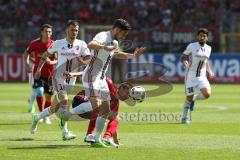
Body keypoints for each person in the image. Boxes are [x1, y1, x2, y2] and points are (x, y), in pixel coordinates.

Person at [59, 18, 145, 147]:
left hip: (102, 78)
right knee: (97, 104)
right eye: (123, 33)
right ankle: (66, 116)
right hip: (91, 76)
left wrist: (132, 56)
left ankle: (96, 140)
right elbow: (90, 44)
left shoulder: (114, 42)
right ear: (117, 29)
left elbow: (116, 54)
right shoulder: (103, 36)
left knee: (105, 109)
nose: (124, 36)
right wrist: (104, 46)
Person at [30, 20, 91, 140]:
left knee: (54, 108)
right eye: (72, 30)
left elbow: (88, 59)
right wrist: (38, 69)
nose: (75, 32)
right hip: (58, 78)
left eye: (76, 30)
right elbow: (45, 55)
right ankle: (64, 132)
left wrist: (83, 62)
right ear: (66, 30)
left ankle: (37, 118)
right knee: (65, 100)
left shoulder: (82, 44)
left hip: (71, 80)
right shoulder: (58, 43)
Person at [71, 77, 133, 147]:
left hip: (87, 108)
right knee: (102, 108)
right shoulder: (109, 84)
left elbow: (114, 121)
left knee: (113, 116)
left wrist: (116, 141)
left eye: (129, 95)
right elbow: (96, 75)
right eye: (127, 93)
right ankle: (96, 136)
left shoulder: (116, 103)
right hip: (80, 100)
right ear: (121, 89)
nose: (127, 96)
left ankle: (103, 137)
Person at [180, 28, 214, 124]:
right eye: (200, 36)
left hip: (202, 76)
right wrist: (184, 61)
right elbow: (183, 56)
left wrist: (210, 72)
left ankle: (195, 98)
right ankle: (184, 118)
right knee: (189, 98)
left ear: (207, 38)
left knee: (207, 94)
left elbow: (205, 62)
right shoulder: (192, 46)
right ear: (197, 37)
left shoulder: (209, 48)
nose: (202, 37)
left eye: (204, 36)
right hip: (190, 76)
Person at [24, 24, 56, 124]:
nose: (48, 33)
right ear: (41, 32)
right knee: (39, 91)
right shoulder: (35, 43)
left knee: (48, 97)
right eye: (46, 31)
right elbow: (26, 53)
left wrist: (51, 62)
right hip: (38, 73)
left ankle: (45, 116)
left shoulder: (54, 44)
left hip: (50, 74)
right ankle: (41, 113)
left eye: (50, 32)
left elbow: (58, 59)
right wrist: (26, 64)